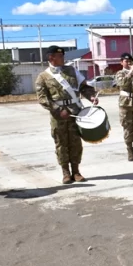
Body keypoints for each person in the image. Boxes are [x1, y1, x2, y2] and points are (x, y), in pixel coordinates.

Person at [36, 45, 98, 184]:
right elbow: (42, 98)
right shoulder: (43, 77)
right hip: (58, 116)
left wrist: (91, 96)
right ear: (51, 57)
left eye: (63, 55)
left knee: (75, 142)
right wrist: (58, 109)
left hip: (76, 112)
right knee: (61, 144)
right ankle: (65, 172)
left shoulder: (72, 71)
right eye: (60, 56)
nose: (63, 58)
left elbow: (84, 87)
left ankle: (76, 171)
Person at [115, 52, 133, 161]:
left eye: (129, 61)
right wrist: (131, 71)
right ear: (121, 62)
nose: (128, 63)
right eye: (126, 61)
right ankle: (129, 151)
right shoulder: (120, 73)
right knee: (127, 128)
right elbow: (122, 83)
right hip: (125, 104)